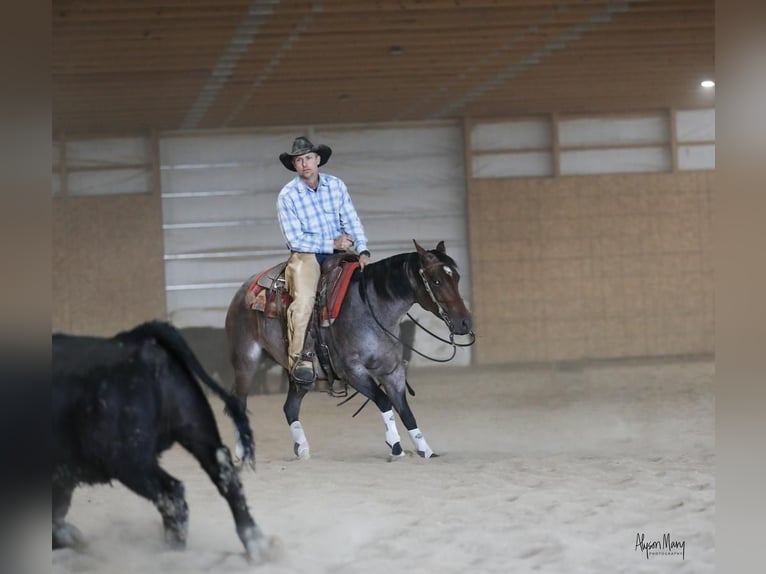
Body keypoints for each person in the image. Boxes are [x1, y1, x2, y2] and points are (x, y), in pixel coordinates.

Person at [276, 136, 371, 385]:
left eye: (308, 158)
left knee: (366, 292)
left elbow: (351, 220)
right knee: (305, 300)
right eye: (299, 160)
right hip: (306, 255)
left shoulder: (336, 185)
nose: (305, 164)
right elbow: (294, 239)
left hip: (340, 252)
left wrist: (362, 250)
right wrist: (331, 244)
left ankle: (368, 349)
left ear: (318, 160)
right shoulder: (288, 196)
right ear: (294, 166)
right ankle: (299, 360)